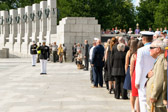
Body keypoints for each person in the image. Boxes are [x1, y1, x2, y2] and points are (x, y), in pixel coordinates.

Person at [135, 31, 155, 112]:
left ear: (143, 39)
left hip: (143, 78)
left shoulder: (141, 50)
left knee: (143, 100)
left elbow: (139, 66)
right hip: (154, 77)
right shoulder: (156, 49)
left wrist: (137, 81)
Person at [146, 39, 167, 112]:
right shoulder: (159, 59)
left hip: (158, 100)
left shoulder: (161, 59)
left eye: (151, 48)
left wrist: (154, 96)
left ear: (158, 49)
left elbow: (160, 79)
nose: (149, 50)